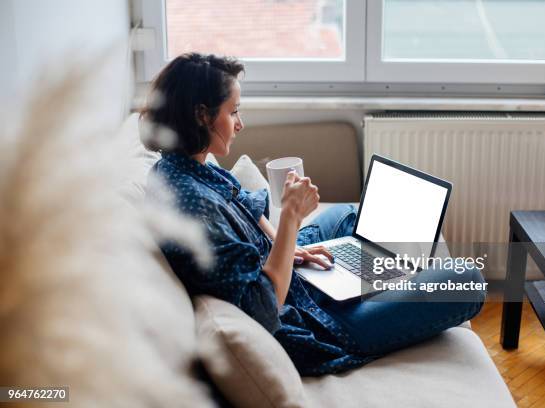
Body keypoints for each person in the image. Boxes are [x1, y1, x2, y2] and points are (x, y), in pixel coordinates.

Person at [142, 53, 486, 376]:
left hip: (291, 277)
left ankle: (379, 276)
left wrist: (289, 248)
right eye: (233, 112)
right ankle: (388, 289)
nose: (240, 124)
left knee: (348, 215)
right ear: (202, 115)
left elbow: (244, 206)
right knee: (465, 278)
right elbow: (263, 307)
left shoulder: (184, 166)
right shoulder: (193, 206)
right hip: (311, 322)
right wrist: (290, 216)